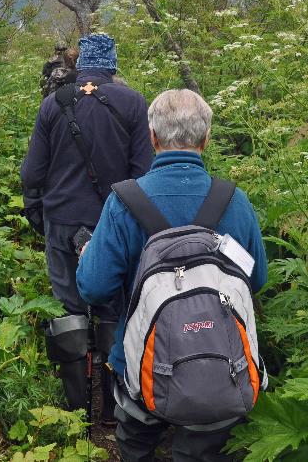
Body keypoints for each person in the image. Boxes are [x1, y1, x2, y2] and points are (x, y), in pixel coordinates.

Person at [76, 89, 268, 462]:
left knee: (135, 442)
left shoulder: (125, 202)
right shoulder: (233, 200)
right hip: (219, 365)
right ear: (206, 138)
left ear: (151, 136)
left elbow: (93, 287)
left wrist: (89, 256)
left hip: (139, 365)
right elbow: (255, 279)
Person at [21, 33, 153, 423]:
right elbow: (143, 173)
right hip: (113, 224)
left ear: (80, 67)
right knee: (115, 307)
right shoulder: (132, 103)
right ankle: (115, 411)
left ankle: (77, 413)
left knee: (68, 309)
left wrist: (39, 212)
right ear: (113, 65)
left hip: (62, 222)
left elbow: (32, 173)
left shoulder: (53, 105)